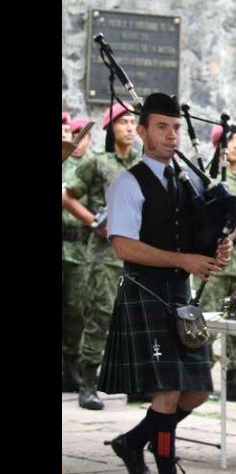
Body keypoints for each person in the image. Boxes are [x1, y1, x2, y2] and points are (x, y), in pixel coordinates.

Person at [98, 93, 233, 474]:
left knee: (197, 390)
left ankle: (133, 441)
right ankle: (164, 464)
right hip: (145, 292)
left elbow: (191, 239)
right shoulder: (128, 183)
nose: (171, 135)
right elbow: (123, 246)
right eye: (161, 127)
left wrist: (214, 250)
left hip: (179, 295)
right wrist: (183, 260)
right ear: (142, 131)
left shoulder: (185, 181)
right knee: (169, 391)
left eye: (175, 128)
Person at [62, 102, 141, 410]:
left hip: (137, 252)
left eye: (134, 122)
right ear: (110, 128)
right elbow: (68, 196)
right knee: (100, 315)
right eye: (123, 123)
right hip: (105, 253)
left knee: (134, 316)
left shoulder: (143, 163)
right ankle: (88, 384)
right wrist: (95, 222)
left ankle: (135, 382)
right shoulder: (96, 162)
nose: (130, 128)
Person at [196, 124, 236, 402]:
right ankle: (199, 373)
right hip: (215, 256)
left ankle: (235, 377)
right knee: (207, 316)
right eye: (230, 140)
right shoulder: (207, 175)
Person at [61, 117, 94, 393]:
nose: (77, 140)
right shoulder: (64, 163)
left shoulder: (90, 166)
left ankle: (72, 366)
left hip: (80, 247)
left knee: (76, 309)